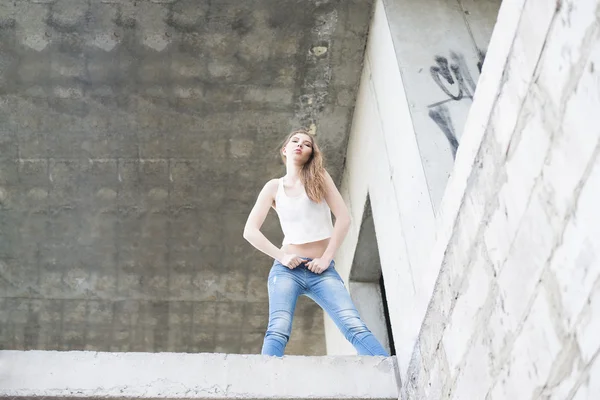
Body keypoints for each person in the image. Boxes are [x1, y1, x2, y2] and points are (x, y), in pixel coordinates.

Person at [243, 128, 389, 357]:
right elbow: (250, 231)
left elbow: (344, 218)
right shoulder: (273, 187)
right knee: (278, 330)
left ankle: (391, 382)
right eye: (295, 141)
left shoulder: (319, 178)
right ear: (285, 149)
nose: (300, 145)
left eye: (307, 144)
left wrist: (326, 258)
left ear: (311, 153)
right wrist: (282, 257)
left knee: (354, 326)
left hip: (322, 270)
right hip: (286, 269)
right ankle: (266, 385)